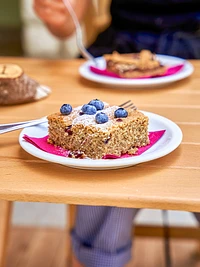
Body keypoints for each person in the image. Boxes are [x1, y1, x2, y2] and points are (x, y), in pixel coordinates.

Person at [33, 1, 200, 267]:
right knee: (104, 168)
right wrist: (59, 15)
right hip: (117, 52)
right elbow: (67, 22)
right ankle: (101, 257)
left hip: (194, 51)